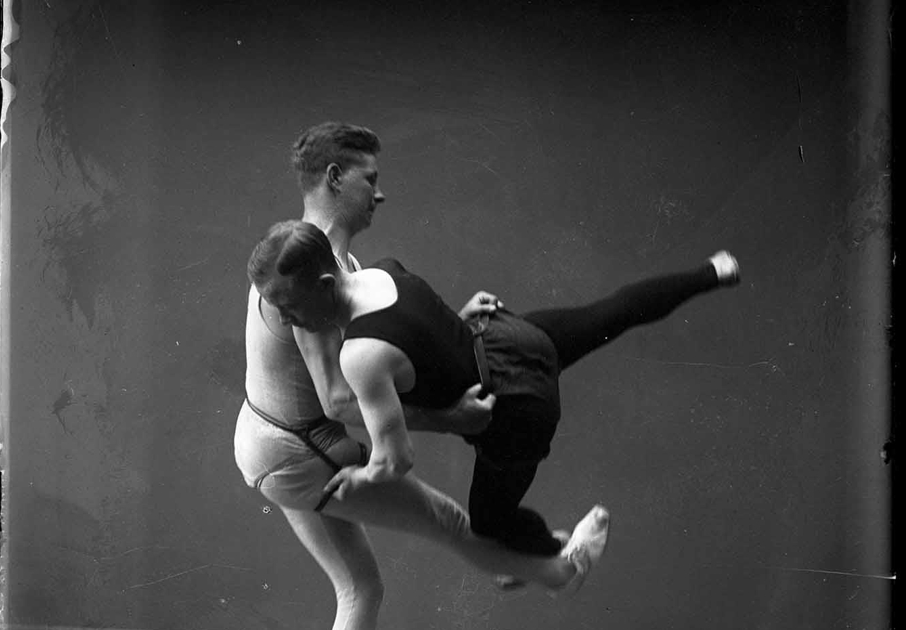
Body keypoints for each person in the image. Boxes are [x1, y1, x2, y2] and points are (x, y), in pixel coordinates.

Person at [234, 123, 609, 630]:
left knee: (359, 587)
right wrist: (450, 418)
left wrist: (450, 328)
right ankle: (560, 571)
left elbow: (374, 342)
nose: (380, 193)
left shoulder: (313, 263)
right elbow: (341, 399)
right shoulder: (305, 275)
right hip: (302, 450)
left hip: (270, 445)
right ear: (334, 179)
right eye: (370, 179)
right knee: (449, 524)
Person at [249, 222, 740, 565]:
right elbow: (425, 333)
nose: (286, 321)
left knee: (487, 524)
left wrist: (357, 479)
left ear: (326, 282)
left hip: (513, 409)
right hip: (508, 338)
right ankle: (713, 271)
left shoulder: (360, 356)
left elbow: (396, 461)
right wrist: (458, 320)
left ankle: (556, 547)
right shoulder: (382, 270)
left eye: (289, 307)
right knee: (611, 313)